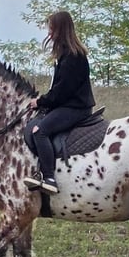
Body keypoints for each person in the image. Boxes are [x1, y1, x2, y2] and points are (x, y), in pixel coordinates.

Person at [24, 11, 95, 194]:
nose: (49, 33)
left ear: (60, 29)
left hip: (75, 108)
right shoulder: (66, 55)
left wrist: (40, 102)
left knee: (40, 131)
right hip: (69, 106)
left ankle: (49, 178)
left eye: (51, 28)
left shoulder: (73, 57)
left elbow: (62, 92)